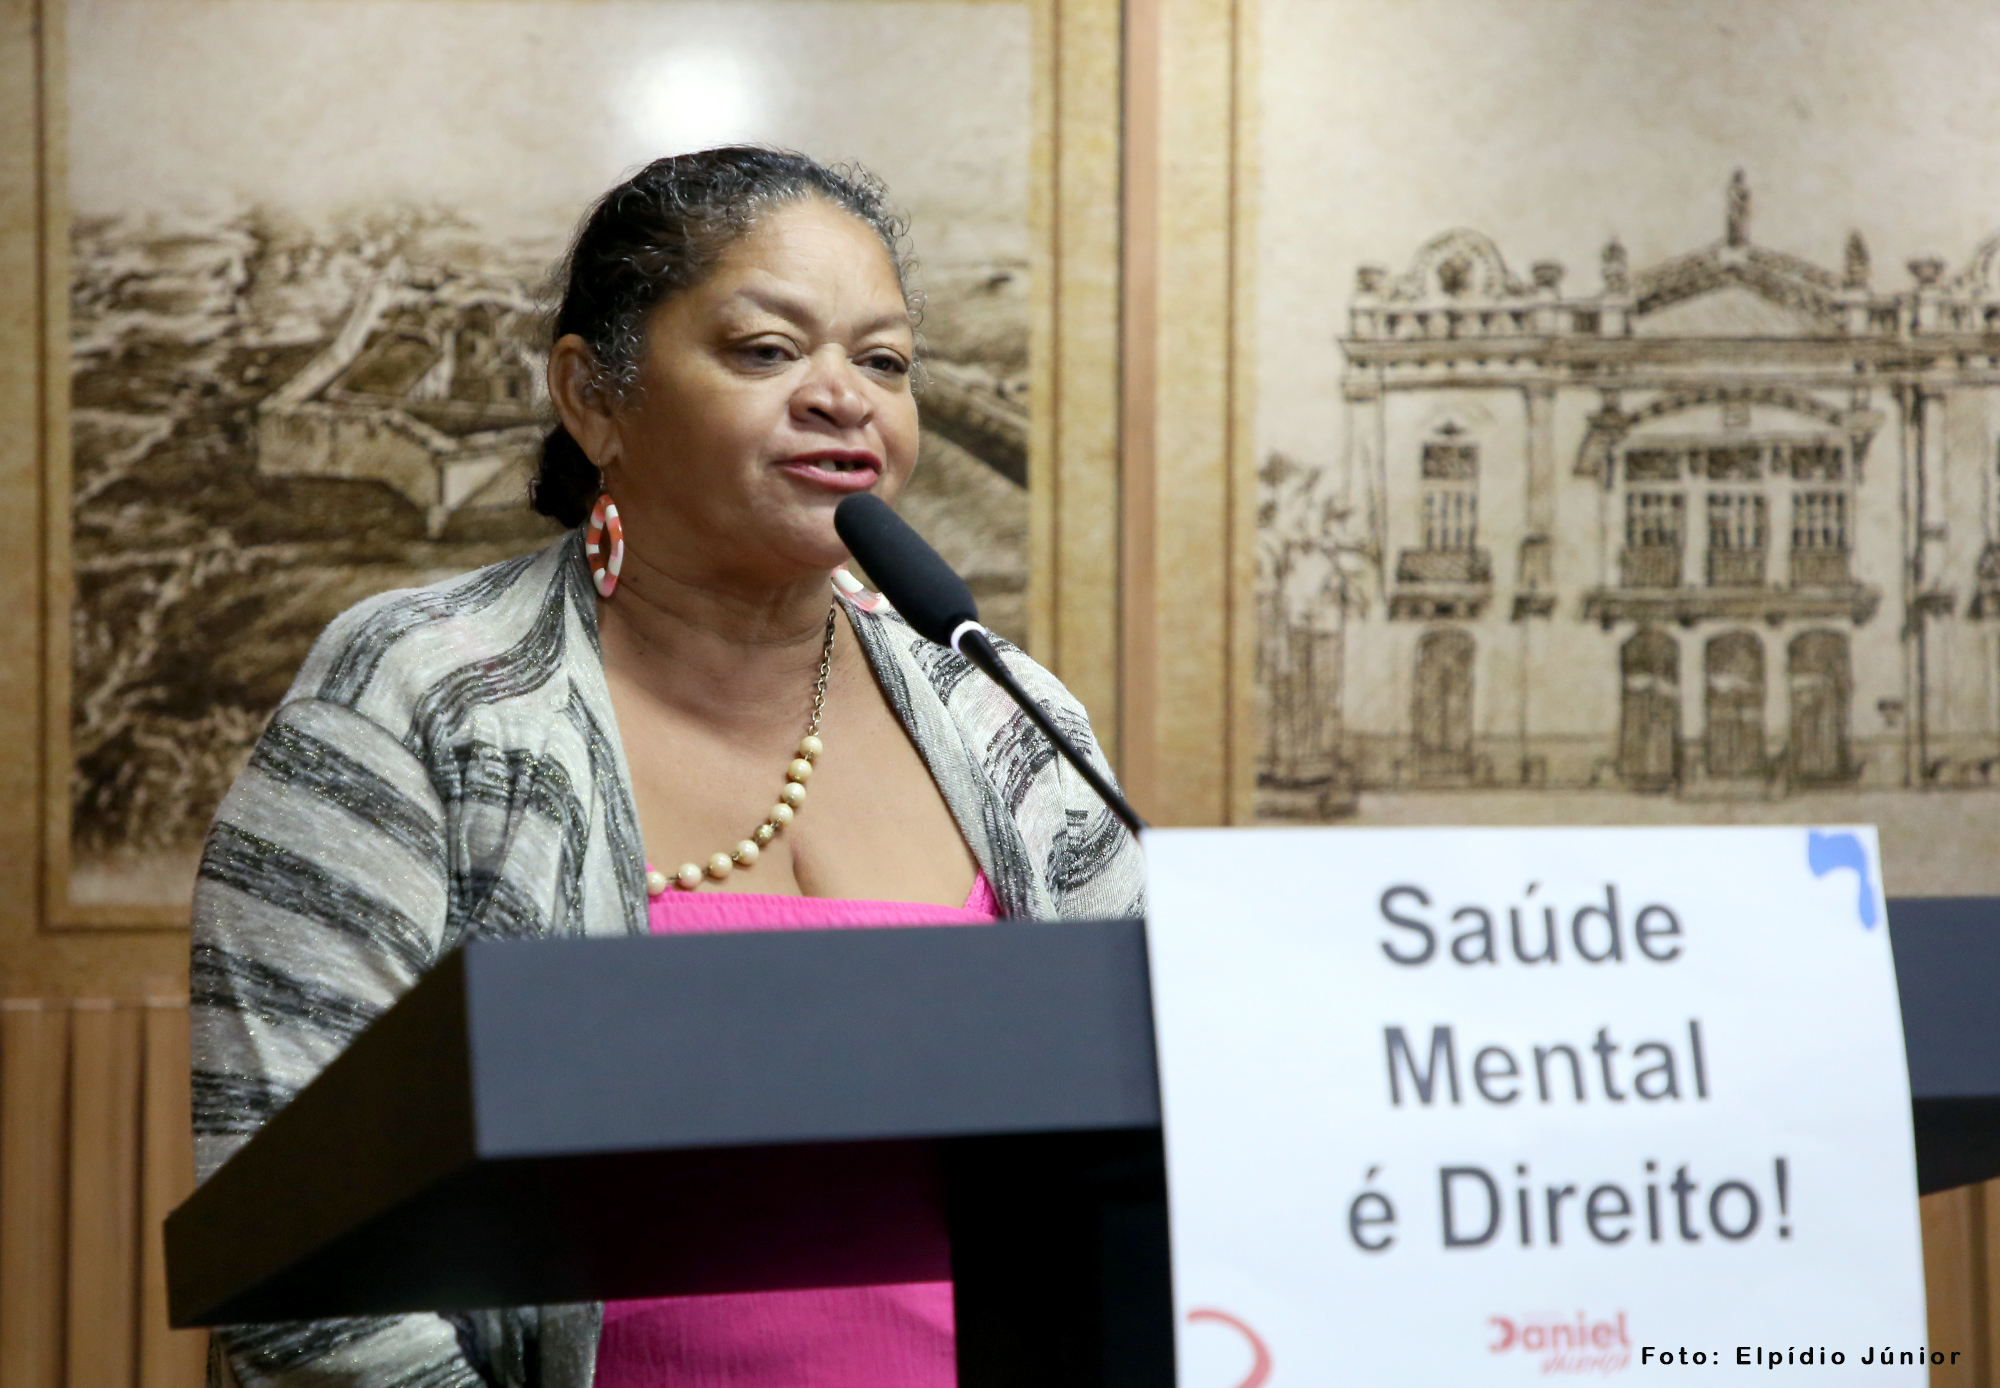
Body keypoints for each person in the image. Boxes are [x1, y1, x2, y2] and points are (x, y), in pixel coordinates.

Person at [189, 147, 1144, 1388]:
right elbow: (303, 1252)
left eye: (884, 360)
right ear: (594, 396)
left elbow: (1157, 1150)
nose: (842, 397)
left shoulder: (1003, 714)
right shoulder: (421, 694)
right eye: (766, 349)